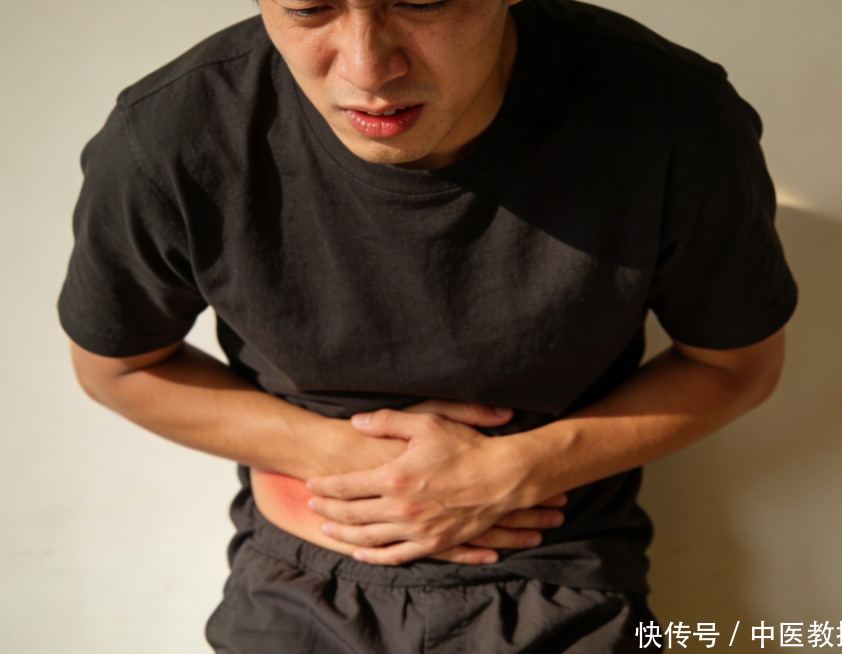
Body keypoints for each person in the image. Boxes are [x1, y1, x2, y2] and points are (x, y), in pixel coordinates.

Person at [58, 0, 798, 651]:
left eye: (421, 1)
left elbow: (735, 365)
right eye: (310, 8)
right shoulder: (168, 136)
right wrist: (352, 460)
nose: (367, 68)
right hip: (295, 577)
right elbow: (118, 366)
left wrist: (515, 470)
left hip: (562, 572)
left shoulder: (673, 119)